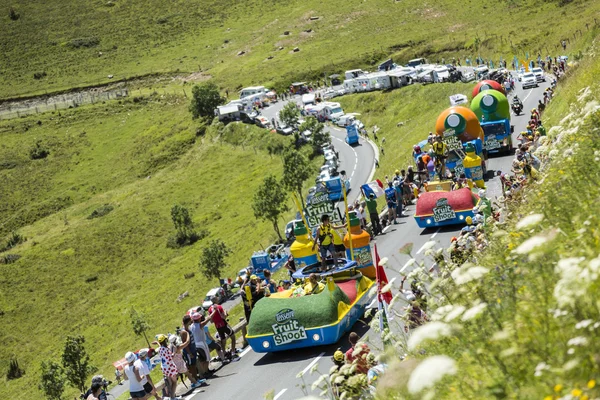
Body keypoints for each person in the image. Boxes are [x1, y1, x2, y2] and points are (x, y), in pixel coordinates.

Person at [208, 296, 238, 361]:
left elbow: (211, 321)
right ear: (215, 299)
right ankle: (233, 353)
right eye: (217, 298)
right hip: (224, 324)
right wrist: (226, 313)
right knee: (233, 337)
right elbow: (223, 317)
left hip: (218, 327)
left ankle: (224, 354)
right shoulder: (219, 307)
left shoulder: (209, 309)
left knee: (223, 340)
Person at [157, 334, 181, 400]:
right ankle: (173, 397)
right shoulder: (166, 349)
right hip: (170, 367)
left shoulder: (160, 349)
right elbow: (171, 356)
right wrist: (174, 351)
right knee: (174, 382)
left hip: (165, 368)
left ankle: (172, 396)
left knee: (170, 383)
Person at [190, 312, 212, 379]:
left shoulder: (191, 326)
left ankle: (205, 371)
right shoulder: (200, 325)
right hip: (202, 343)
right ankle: (205, 372)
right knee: (207, 358)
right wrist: (214, 311)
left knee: (202, 359)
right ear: (199, 319)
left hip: (196, 344)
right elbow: (208, 319)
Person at [180, 316, 198, 381]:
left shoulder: (188, 329)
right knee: (191, 366)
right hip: (188, 352)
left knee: (194, 365)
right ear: (188, 321)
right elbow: (185, 344)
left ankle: (196, 379)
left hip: (193, 349)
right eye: (190, 320)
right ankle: (194, 380)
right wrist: (189, 353)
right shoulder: (183, 332)